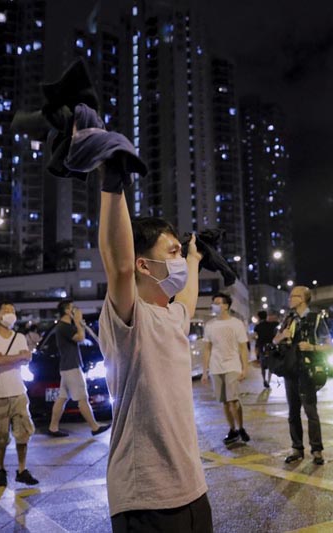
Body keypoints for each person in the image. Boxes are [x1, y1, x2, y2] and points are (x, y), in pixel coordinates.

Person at [96, 179, 211, 530]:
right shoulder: (130, 317)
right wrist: (112, 184)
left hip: (193, 489)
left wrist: (193, 256)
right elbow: (118, 265)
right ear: (144, 265)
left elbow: (188, 299)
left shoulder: (173, 316)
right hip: (146, 498)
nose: (178, 260)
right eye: (171, 252)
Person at [0, 301, 39, 487]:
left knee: (23, 434)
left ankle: (22, 470)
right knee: (0, 436)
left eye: (13, 311)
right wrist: (17, 357)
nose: (10, 314)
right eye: (6, 311)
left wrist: (6, 360)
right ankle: (1, 469)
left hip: (19, 392)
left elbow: (27, 358)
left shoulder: (20, 337)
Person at [273, 285, 331, 466]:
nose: (290, 299)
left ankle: (317, 450)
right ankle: (297, 448)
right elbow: (275, 340)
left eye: (293, 296)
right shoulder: (288, 319)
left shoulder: (316, 319)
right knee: (293, 412)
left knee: (311, 411)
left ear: (303, 299)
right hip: (290, 370)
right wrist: (280, 337)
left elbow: (329, 345)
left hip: (308, 370)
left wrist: (312, 347)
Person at [48, 299, 110, 438]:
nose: (76, 310)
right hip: (72, 367)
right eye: (73, 308)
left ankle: (53, 427)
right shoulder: (64, 326)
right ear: (67, 311)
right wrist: (77, 321)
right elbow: (80, 337)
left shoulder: (63, 326)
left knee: (62, 398)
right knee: (82, 398)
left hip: (67, 367)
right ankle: (94, 427)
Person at [201, 293, 250, 444]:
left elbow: (243, 348)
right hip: (216, 368)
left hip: (232, 365)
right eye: (214, 303)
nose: (214, 306)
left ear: (226, 306)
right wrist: (205, 371)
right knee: (224, 401)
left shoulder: (236, 323)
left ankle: (241, 427)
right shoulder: (209, 325)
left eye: (217, 303)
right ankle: (232, 429)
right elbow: (207, 349)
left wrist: (245, 368)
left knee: (233, 400)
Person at [253, 310, 278, 388]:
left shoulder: (257, 326)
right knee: (270, 364)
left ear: (259, 317)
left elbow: (255, 337)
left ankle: (264, 380)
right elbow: (277, 328)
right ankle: (269, 380)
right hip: (270, 346)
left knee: (262, 365)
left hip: (261, 347)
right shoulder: (272, 325)